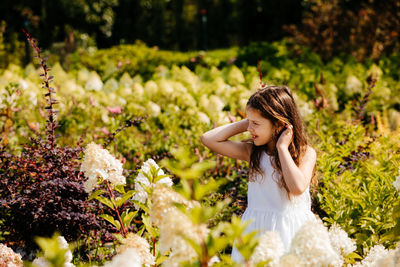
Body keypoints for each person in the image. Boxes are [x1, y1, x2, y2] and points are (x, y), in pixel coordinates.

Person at [200, 85, 317, 262]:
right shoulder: (253, 152)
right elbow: (208, 139)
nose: (249, 129)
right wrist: (248, 121)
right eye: (249, 122)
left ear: (279, 124)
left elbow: (297, 187)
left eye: (256, 124)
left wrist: (282, 148)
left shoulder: (305, 153)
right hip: (256, 230)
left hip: (291, 231)